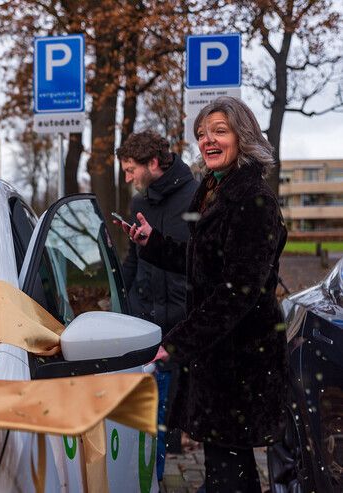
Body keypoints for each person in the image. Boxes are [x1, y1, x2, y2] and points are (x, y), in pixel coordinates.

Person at [122, 96, 289, 493]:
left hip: (240, 360)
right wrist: (154, 244)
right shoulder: (217, 189)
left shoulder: (252, 199)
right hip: (221, 358)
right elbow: (205, 263)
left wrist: (179, 341)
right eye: (201, 134)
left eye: (219, 131)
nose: (207, 141)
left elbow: (238, 290)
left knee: (227, 471)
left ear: (242, 137)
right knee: (228, 467)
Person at [116, 130, 197, 482]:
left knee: (169, 416)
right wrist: (118, 299)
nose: (127, 177)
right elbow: (134, 259)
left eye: (131, 169)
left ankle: (160, 476)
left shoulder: (197, 198)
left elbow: (203, 263)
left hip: (181, 323)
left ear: (153, 163)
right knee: (145, 417)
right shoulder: (139, 204)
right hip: (142, 320)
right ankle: (147, 478)